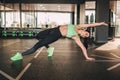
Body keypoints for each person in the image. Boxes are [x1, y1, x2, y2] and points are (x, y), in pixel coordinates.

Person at [10, 22, 108, 61]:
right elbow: (91, 24)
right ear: (85, 30)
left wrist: (87, 57)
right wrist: (101, 23)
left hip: (55, 36)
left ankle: (20, 55)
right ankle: (49, 49)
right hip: (53, 29)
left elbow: (82, 47)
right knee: (38, 36)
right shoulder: (78, 26)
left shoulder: (75, 37)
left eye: (85, 36)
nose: (84, 35)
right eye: (86, 34)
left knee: (37, 46)